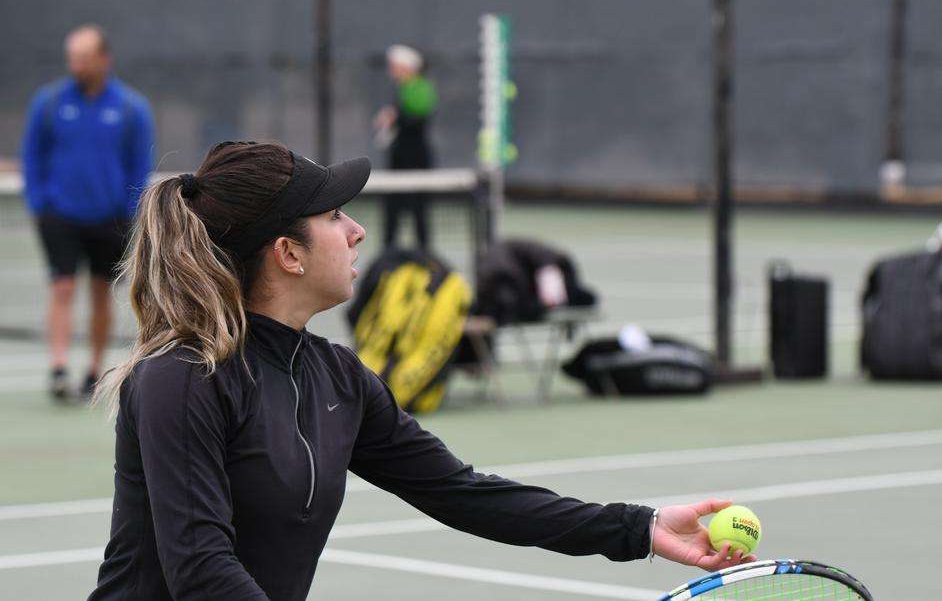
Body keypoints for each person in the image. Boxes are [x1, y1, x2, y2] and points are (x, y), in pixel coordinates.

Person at [88, 141, 755, 601]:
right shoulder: (182, 379)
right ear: (288, 253)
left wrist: (638, 528)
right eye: (334, 216)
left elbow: (463, 494)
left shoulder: (338, 380)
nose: (357, 232)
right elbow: (202, 571)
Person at [21, 24, 155, 401]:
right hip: (60, 215)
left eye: (83, 57)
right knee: (61, 286)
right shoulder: (48, 103)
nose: (76, 65)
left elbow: (139, 166)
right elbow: (33, 155)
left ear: (103, 59)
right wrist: (39, 202)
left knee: (100, 291)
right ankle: (59, 369)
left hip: (109, 219)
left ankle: (93, 371)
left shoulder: (131, 109)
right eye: (72, 58)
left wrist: (128, 211)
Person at [373, 44, 437, 249]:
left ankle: (424, 252)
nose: (391, 70)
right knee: (392, 208)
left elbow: (418, 118)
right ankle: (388, 252)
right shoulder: (402, 89)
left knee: (418, 208)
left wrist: (394, 117)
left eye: (394, 66)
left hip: (416, 158)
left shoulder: (419, 87)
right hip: (399, 158)